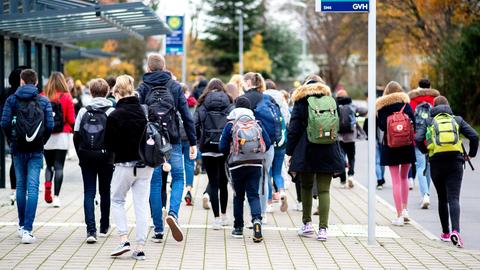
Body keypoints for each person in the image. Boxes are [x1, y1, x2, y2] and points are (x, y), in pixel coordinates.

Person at [137, 54, 197, 243]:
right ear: (164, 67)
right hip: (174, 139)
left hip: (152, 141)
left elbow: (138, 116)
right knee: (179, 178)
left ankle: (158, 230)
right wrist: (193, 142)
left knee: (154, 183)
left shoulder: (143, 86)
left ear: (149, 68)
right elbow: (187, 116)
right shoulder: (175, 86)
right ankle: (173, 213)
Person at [286, 77, 345, 241]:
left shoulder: (301, 102)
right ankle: (323, 230)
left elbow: (294, 129)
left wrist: (289, 152)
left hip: (307, 150)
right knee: (325, 190)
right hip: (329, 149)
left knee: (306, 187)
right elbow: (337, 124)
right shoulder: (331, 101)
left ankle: (307, 225)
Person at [415, 96, 478, 248]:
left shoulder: (429, 121)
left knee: (442, 199)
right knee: (454, 198)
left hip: (436, 162)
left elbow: (418, 138)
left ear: (433, 107)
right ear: (448, 106)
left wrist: (426, 151)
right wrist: (471, 154)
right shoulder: (457, 120)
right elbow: (474, 136)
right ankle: (456, 231)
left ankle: (445, 233)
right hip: (455, 161)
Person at [1, 69, 54, 243]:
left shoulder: (12, 100)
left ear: (21, 82)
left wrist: (12, 140)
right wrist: (41, 141)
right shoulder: (44, 100)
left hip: (17, 149)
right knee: (33, 188)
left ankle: (21, 225)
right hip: (36, 150)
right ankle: (28, 230)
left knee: (21, 187)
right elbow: (50, 125)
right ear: (36, 82)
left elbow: (4, 123)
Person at [105, 75, 152, 260]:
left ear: (116, 92)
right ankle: (140, 247)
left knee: (117, 200)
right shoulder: (144, 111)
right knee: (141, 205)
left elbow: (108, 144)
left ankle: (124, 239)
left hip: (124, 165)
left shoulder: (115, 115)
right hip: (145, 165)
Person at [219, 96, 271, 242]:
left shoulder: (231, 124)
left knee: (238, 196)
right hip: (255, 163)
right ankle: (256, 222)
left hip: (237, 165)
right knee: (253, 195)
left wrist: (230, 153)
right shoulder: (257, 123)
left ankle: (238, 228)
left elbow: (222, 147)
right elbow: (267, 142)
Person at [73, 78, 115, 244]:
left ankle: (91, 230)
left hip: (87, 156)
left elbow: (76, 135)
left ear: (91, 92)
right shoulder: (111, 111)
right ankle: (104, 226)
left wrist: (80, 154)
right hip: (106, 157)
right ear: (107, 92)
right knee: (105, 191)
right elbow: (115, 137)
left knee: (89, 192)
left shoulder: (84, 111)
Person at [195, 78, 233, 229]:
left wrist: (199, 140)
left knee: (213, 182)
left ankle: (216, 219)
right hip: (224, 148)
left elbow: (195, 123)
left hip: (207, 147)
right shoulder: (229, 102)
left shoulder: (203, 103)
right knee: (224, 182)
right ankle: (224, 216)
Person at [376, 81, 416, 226]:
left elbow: (381, 126)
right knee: (404, 177)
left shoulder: (382, 107)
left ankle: (399, 215)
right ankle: (405, 209)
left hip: (391, 146)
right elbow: (414, 124)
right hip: (407, 146)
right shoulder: (407, 105)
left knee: (395, 181)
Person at [242, 72, 275, 223]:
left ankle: (253, 215)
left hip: (247, 146)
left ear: (248, 82)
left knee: (248, 180)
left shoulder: (244, 99)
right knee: (264, 178)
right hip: (268, 145)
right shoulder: (269, 99)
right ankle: (263, 213)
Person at [43, 72, 76, 207]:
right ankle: (56, 197)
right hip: (62, 135)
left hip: (47, 136)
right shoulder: (67, 97)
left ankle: (47, 186)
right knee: (59, 166)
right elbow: (71, 119)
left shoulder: (43, 96)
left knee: (49, 165)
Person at [408, 79, 440, 209]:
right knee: (429, 167)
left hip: (418, 138)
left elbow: (409, 119)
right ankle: (427, 194)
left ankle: (425, 195)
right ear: (430, 86)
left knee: (420, 166)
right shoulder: (436, 99)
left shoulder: (412, 100)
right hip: (433, 138)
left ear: (418, 88)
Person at [1, 66, 29, 205]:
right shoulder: (28, 94)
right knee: (28, 160)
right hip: (27, 131)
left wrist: (8, 135)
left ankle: (14, 190)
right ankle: (25, 189)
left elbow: (4, 118)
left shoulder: (7, 93)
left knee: (14, 160)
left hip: (12, 132)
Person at [264, 79, 291, 212]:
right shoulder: (281, 97)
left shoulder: (262, 97)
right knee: (277, 171)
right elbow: (287, 118)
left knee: (267, 172)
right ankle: (282, 192)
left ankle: (269, 202)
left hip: (268, 140)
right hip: (281, 140)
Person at [336, 89, 367, 189]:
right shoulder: (352, 106)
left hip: (339, 137)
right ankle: (351, 175)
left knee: (341, 157)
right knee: (351, 157)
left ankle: (342, 179)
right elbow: (364, 111)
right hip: (351, 136)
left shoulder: (335, 106)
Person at [181, 83, 197, 206]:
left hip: (175, 138)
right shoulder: (192, 104)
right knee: (189, 163)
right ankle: (189, 189)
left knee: (175, 163)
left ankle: (174, 184)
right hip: (189, 137)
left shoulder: (173, 102)